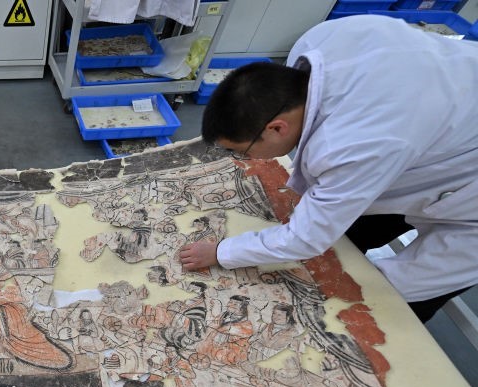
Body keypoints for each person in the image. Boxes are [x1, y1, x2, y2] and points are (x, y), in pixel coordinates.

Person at [179, 15, 478, 322]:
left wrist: (222, 252)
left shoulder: (355, 146)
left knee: (391, 304)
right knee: (347, 237)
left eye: (245, 151)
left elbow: (305, 239)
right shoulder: (317, 43)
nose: (249, 160)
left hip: (467, 193)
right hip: (439, 124)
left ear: (277, 128)